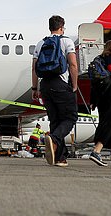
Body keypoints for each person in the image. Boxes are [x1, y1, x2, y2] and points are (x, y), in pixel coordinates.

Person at [31, 15, 78, 167]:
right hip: (60, 84)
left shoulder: (40, 43)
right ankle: (54, 139)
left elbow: (34, 68)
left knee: (55, 120)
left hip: (45, 85)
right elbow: (72, 65)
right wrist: (75, 85)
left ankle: (60, 158)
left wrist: (35, 88)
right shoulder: (66, 41)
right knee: (70, 117)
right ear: (61, 27)